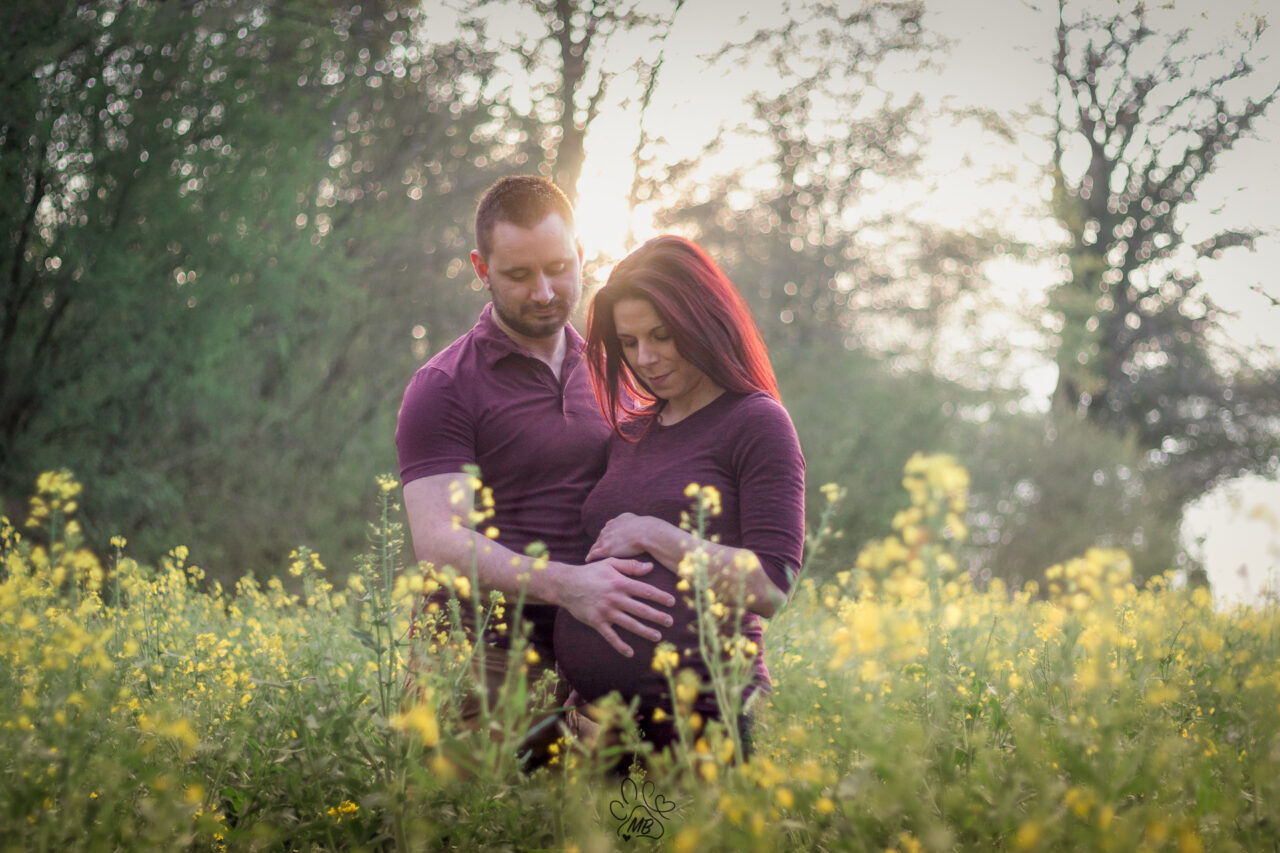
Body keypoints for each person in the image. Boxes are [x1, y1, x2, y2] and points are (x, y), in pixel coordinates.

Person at [395, 176, 676, 733]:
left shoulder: (619, 371)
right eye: (519, 275)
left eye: (558, 268)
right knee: (483, 796)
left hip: (599, 666)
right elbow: (439, 541)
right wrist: (570, 587)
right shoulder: (444, 386)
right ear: (481, 269)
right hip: (478, 661)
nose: (544, 292)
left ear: (581, 253)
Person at [553, 235, 806, 755]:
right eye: (628, 342)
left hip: (702, 721)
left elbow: (771, 587)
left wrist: (655, 534)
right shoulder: (630, 433)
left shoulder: (756, 423)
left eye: (662, 336)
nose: (645, 358)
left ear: (702, 321)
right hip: (597, 727)